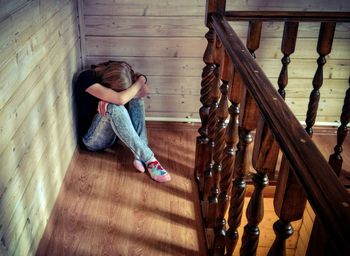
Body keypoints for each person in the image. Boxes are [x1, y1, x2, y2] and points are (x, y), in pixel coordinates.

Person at [74, 61, 171, 182]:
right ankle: (149, 158)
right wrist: (114, 99)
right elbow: (120, 99)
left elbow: (145, 90)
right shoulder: (86, 79)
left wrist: (141, 80)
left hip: (113, 135)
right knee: (114, 107)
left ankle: (138, 155)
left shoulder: (118, 70)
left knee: (135, 99)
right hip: (92, 140)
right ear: (108, 85)